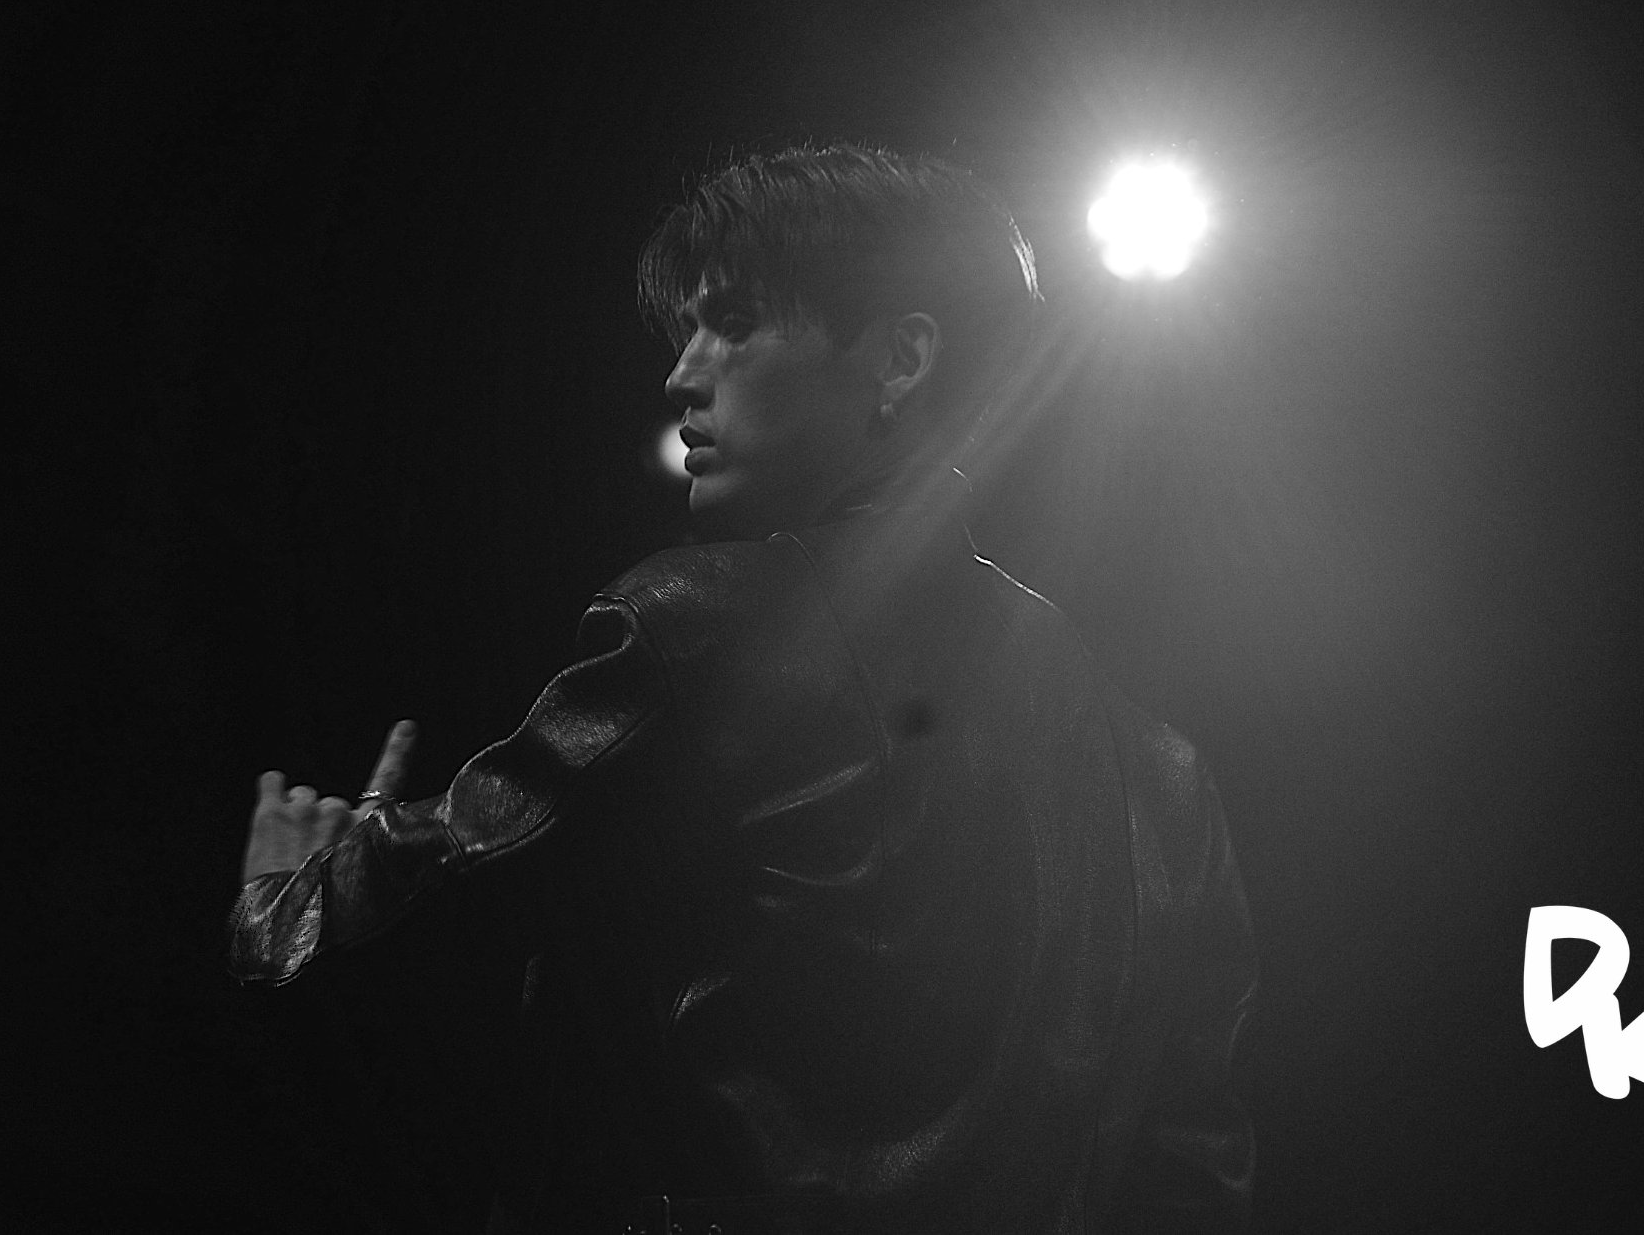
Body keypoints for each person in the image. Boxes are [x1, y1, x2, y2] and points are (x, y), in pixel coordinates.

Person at [232, 144, 1257, 1234]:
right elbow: (1195, 1170)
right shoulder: (1165, 778)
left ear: (900, 359)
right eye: (685, 334)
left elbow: (411, 927)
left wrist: (286, 894)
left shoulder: (700, 623)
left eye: (732, 322)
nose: (682, 375)